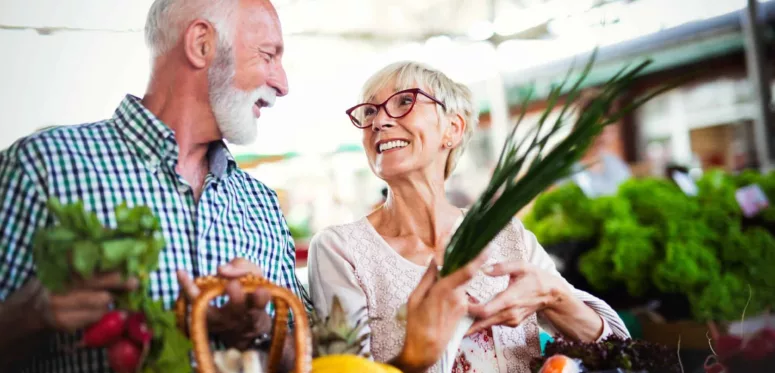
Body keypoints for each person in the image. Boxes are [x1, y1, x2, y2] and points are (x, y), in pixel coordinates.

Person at [0, 2, 485, 372]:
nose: (283, 82)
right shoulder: (44, 165)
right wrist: (33, 313)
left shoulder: (257, 202)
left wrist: (259, 327)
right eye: (269, 55)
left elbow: (306, 355)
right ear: (202, 45)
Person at [308, 61, 630, 373]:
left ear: (453, 128)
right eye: (369, 111)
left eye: (405, 101)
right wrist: (414, 357)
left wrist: (555, 298)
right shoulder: (341, 249)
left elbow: (620, 351)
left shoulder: (506, 235)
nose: (379, 122)